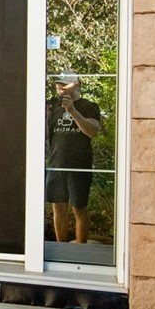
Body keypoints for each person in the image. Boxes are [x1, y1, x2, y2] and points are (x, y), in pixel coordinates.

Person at [46, 71, 101, 243]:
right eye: (58, 84)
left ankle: (81, 250)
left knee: (79, 208)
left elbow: (92, 131)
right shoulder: (52, 106)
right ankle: (61, 248)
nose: (60, 88)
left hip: (79, 166)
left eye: (64, 84)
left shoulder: (89, 106)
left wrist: (72, 110)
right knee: (58, 208)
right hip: (56, 164)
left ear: (76, 84)